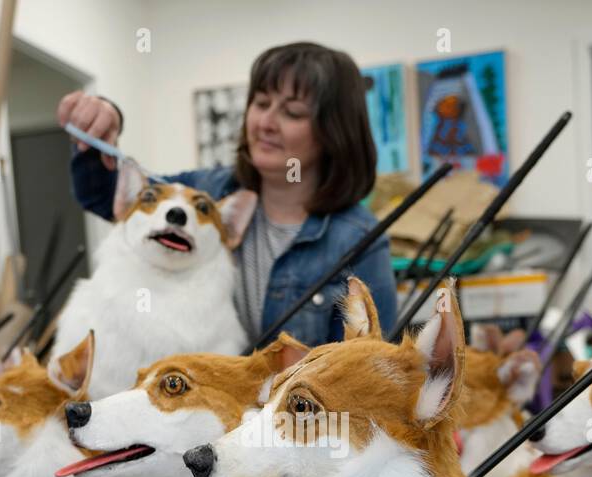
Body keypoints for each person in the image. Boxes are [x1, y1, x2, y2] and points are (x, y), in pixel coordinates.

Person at [57, 41, 397, 347]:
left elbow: (367, 373)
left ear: (334, 133)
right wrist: (103, 120)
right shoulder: (206, 193)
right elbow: (103, 194)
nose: (265, 122)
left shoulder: (359, 241)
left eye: (292, 112)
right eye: (261, 103)